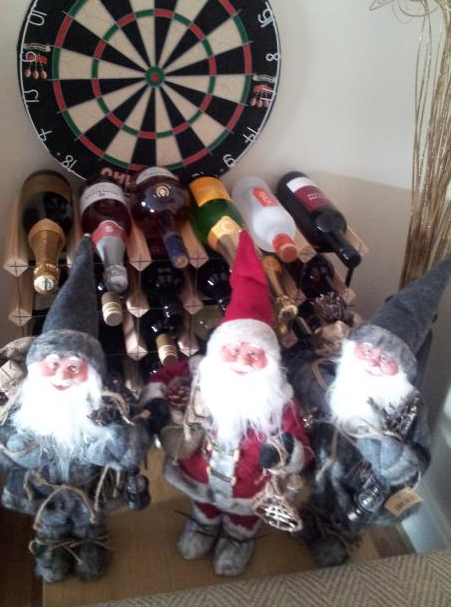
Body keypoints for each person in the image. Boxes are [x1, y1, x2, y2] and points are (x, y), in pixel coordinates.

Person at [0, 236, 153, 582]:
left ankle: (91, 541)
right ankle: (52, 545)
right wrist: (20, 446)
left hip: (91, 490)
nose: (62, 376)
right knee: (49, 522)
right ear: (36, 366)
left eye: (73, 367)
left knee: (90, 519)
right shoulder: (20, 404)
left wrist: (115, 437)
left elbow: (131, 448)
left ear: (92, 372)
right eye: (53, 364)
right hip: (42, 490)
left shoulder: (108, 403)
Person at [143, 231, 312, 576]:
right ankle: (203, 523)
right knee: (203, 503)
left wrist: (285, 451)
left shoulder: (280, 401)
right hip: (199, 473)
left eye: (254, 354)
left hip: (249, 487)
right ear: (218, 349)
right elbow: (161, 377)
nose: (242, 361)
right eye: (233, 350)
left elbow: (299, 446)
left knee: (243, 516)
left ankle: (238, 537)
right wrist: (157, 402)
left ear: (270, 360)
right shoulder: (198, 373)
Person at [288, 252, 451, 566]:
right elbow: (309, 382)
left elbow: (416, 460)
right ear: (354, 348)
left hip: (361, 483)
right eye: (368, 350)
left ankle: (341, 536)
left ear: (402, 370)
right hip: (323, 459)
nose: (373, 362)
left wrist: (388, 452)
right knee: (319, 491)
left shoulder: (408, 408)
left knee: (348, 514)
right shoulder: (334, 374)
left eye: (387, 359)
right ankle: (314, 517)